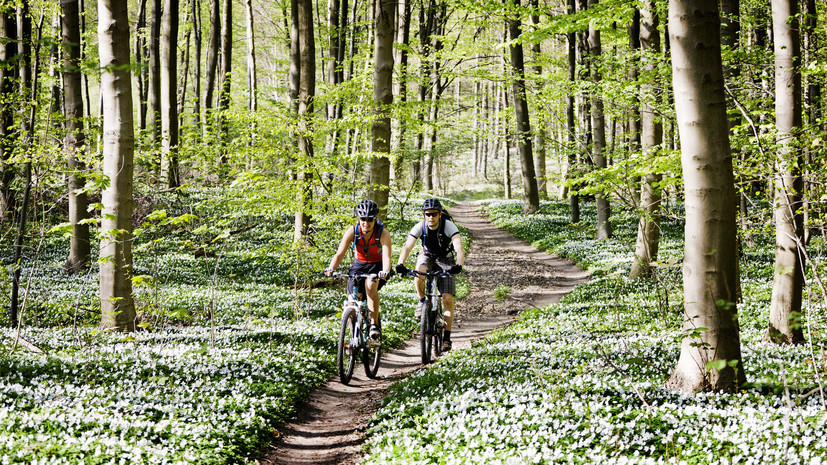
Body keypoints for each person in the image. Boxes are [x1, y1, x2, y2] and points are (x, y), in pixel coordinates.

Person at [395, 198, 465, 352]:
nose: (431, 217)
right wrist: (400, 263)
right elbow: (407, 246)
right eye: (428, 214)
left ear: (440, 214)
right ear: (423, 215)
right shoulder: (420, 226)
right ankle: (422, 301)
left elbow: (459, 247)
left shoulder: (448, 226)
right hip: (427, 255)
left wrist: (458, 265)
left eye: (434, 214)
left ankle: (446, 338)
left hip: (445, 258)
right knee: (420, 270)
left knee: (447, 298)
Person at [325, 200, 391, 343]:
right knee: (352, 302)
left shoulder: (383, 234)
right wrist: (331, 268)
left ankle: (373, 325)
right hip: (358, 265)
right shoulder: (353, 231)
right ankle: (352, 336)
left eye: (370, 219)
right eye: (363, 219)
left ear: (375, 219)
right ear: (358, 219)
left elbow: (386, 257)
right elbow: (339, 254)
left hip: (376, 265)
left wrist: (385, 271)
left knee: (370, 286)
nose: (366, 223)